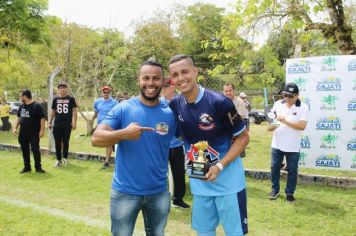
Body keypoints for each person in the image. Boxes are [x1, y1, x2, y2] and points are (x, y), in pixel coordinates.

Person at [92, 60, 176, 236]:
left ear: (163, 81)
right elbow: (96, 138)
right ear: (138, 80)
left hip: (159, 192)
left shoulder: (170, 113)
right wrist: (124, 133)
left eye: (156, 78)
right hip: (125, 192)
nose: (150, 83)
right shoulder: (123, 108)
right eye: (146, 78)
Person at [168, 54, 249, 236]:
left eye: (185, 72)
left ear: (195, 72)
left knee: (234, 233)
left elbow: (243, 138)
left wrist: (219, 165)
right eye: (175, 75)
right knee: (204, 232)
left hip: (228, 184)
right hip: (200, 183)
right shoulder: (175, 105)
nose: (180, 78)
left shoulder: (219, 102)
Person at [267, 82, 308, 203]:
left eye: (291, 96)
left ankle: (290, 193)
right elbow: (269, 127)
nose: (287, 98)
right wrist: (273, 125)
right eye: (285, 95)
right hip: (277, 143)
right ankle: (275, 190)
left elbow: (302, 126)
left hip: (293, 146)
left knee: (292, 170)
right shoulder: (277, 104)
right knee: (274, 167)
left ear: (297, 95)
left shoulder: (303, 107)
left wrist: (285, 121)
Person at [161, 78, 190, 209]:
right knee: (159, 173)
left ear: (173, 87)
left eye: (166, 86)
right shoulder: (158, 103)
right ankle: (159, 199)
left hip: (177, 145)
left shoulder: (180, 102)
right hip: (162, 145)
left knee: (179, 173)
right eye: (162, 86)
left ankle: (178, 199)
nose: (163, 89)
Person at [13, 90, 46, 173]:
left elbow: (42, 118)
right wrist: (14, 128)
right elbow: (18, 118)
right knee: (24, 150)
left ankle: (38, 167)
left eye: (21, 96)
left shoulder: (37, 106)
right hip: (23, 133)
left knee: (35, 150)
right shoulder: (21, 107)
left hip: (34, 133)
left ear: (25, 96)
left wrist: (42, 131)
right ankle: (27, 167)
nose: (20, 98)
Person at [48, 82, 77, 167]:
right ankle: (58, 160)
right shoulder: (55, 99)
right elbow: (53, 111)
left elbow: (74, 110)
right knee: (57, 142)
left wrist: (74, 122)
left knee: (66, 141)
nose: (62, 89)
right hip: (57, 124)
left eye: (64, 87)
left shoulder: (71, 99)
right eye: (60, 88)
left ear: (67, 89)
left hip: (67, 124)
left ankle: (65, 158)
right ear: (58, 89)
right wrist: (50, 122)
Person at [91, 85, 118, 169]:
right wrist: (92, 120)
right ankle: (108, 158)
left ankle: (106, 161)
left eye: (108, 92)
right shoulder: (97, 102)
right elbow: (96, 113)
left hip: (110, 125)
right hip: (100, 126)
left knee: (108, 144)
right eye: (104, 92)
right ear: (102, 93)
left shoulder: (114, 102)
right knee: (99, 142)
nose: (106, 94)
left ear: (110, 93)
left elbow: (117, 114)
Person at [223, 84, 249, 157]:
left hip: (237, 132)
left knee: (237, 156)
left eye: (230, 90)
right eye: (226, 91)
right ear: (223, 92)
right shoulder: (221, 101)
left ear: (233, 91)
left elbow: (238, 119)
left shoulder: (239, 102)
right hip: (225, 133)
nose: (228, 93)